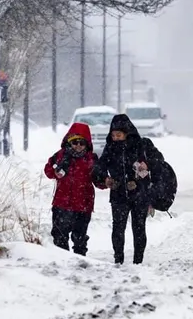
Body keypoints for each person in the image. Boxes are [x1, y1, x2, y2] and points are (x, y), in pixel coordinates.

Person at [91, 113, 164, 265]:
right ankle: (118, 259)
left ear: (127, 133)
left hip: (139, 193)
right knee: (118, 228)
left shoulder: (141, 145)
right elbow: (99, 168)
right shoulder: (110, 148)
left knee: (139, 228)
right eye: (113, 135)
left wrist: (147, 165)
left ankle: (138, 260)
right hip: (118, 194)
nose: (116, 138)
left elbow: (158, 160)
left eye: (119, 135)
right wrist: (106, 179)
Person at [44, 123, 97, 256]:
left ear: (87, 144)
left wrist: (106, 181)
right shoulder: (60, 156)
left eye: (82, 143)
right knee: (59, 235)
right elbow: (48, 170)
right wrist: (55, 171)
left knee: (80, 237)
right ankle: (63, 261)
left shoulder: (91, 159)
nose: (78, 146)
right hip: (62, 204)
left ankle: (80, 259)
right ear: (69, 141)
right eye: (75, 142)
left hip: (83, 205)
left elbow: (98, 179)